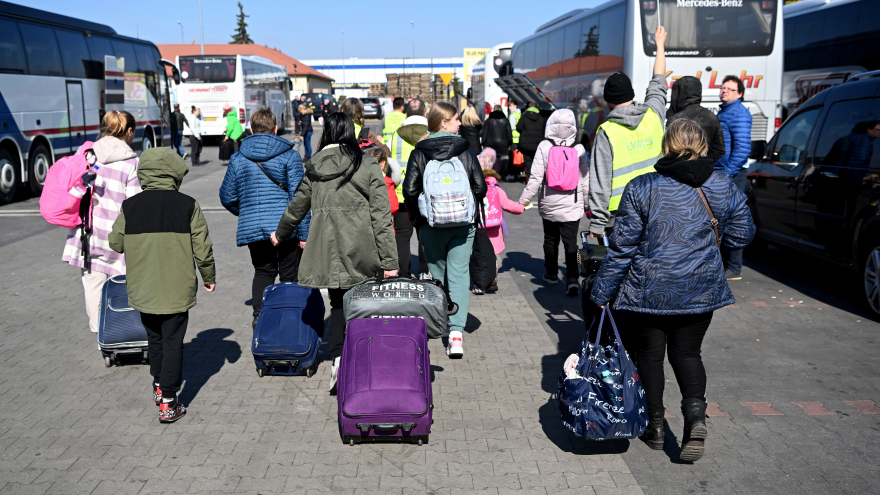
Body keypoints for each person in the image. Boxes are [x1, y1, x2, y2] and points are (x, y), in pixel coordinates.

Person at [585, 118, 755, 461]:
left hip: (649, 289)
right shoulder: (722, 184)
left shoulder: (642, 186)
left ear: (667, 146)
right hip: (699, 288)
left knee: (650, 356)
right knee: (688, 354)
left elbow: (623, 248)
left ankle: (656, 426)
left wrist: (601, 291)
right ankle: (695, 419)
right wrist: (717, 243)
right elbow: (743, 232)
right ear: (703, 146)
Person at [270, 112, 398, 392]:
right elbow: (381, 215)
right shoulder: (366, 164)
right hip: (362, 247)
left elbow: (297, 207)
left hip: (326, 248)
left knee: (338, 305)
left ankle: (339, 361)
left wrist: (280, 234)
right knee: (363, 305)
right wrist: (390, 261)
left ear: (325, 133)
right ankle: (362, 361)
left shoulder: (314, 167)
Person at [109, 147, 216, 423]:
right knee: (173, 340)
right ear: (174, 172)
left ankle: (158, 385)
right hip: (177, 288)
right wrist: (208, 276)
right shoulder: (188, 204)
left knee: (154, 338)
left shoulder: (130, 206)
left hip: (143, 287)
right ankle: (169, 400)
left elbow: (115, 243)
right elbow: (202, 247)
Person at [403, 102, 488, 358]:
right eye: (456, 119)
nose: (459, 123)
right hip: (463, 224)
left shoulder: (419, 152)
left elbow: (409, 191)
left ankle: (439, 323)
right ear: (444, 123)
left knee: (438, 276)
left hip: (431, 224)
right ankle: (457, 334)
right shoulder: (465, 151)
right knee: (460, 275)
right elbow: (481, 187)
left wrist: (419, 218)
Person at [219, 107, 310, 329]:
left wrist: (247, 212)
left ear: (250, 129)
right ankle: (290, 319)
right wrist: (305, 234)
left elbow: (226, 196)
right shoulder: (290, 155)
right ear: (275, 128)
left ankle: (260, 317)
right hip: (286, 227)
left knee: (263, 271)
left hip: (255, 228)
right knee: (289, 274)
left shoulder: (238, 157)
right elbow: (300, 197)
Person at [62, 111, 142, 334]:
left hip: (87, 234)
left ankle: (101, 336)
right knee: (123, 286)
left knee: (93, 285)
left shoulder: (86, 155)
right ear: (128, 132)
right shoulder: (132, 162)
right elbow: (135, 204)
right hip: (119, 236)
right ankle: (122, 333)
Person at [589, 26, 668, 242]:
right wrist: (660, 44)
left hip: (622, 216)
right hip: (658, 207)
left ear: (607, 102)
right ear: (632, 95)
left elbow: (600, 181)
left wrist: (597, 222)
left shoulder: (607, 132)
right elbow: (659, 81)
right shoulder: (653, 114)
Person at [518, 109, 590, 296]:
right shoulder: (579, 148)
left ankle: (551, 273)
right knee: (571, 243)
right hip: (572, 203)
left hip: (549, 202)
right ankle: (572, 277)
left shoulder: (544, 146)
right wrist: (588, 204)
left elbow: (535, 177)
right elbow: (585, 180)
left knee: (550, 239)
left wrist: (524, 200)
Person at [714, 75, 752, 281]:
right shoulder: (726, 111)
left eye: (729, 89)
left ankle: (734, 267)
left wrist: (726, 173)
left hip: (733, 174)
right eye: (723, 87)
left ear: (740, 94)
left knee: (734, 220)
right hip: (724, 171)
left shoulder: (739, 113)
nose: (724, 91)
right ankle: (724, 265)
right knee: (721, 220)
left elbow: (743, 149)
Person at [391, 98, 431, 280]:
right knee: (425, 234)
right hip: (425, 193)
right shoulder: (431, 133)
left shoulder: (395, 135)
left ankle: (404, 273)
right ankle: (425, 272)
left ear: (405, 115)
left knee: (402, 236)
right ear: (425, 114)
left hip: (401, 194)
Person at [476, 168, 524, 294]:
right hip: (494, 229)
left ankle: (478, 285)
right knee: (493, 257)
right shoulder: (497, 189)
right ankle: (492, 278)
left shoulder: (472, 187)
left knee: (477, 256)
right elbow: (508, 205)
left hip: (477, 228)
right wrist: (521, 208)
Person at [667, 76, 725, 163]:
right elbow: (720, 150)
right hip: (704, 172)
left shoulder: (675, 120)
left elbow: (668, 150)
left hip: (679, 171)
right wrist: (703, 163)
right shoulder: (712, 117)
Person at [363, 146, 400, 219]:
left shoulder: (360, 179)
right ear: (383, 164)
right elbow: (393, 208)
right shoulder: (387, 183)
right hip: (382, 224)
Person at [481, 104, 513, 178]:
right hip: (503, 143)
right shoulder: (505, 120)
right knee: (504, 160)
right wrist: (509, 143)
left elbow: (484, 133)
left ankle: (492, 175)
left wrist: (484, 143)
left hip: (490, 143)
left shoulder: (488, 121)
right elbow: (509, 132)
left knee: (490, 160)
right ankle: (503, 176)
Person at [516, 102, 546, 180]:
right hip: (538, 144)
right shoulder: (540, 117)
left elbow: (518, 127)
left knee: (528, 162)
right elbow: (544, 129)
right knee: (537, 162)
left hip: (526, 144)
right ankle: (537, 178)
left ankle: (529, 178)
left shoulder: (524, 116)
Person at [507, 100, 522, 181]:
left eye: (511, 106)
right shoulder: (520, 114)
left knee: (513, 158)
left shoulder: (513, 115)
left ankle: (512, 174)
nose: (509, 108)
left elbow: (511, 127)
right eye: (509, 106)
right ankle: (518, 174)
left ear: (515, 106)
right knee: (518, 157)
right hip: (520, 139)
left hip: (514, 139)